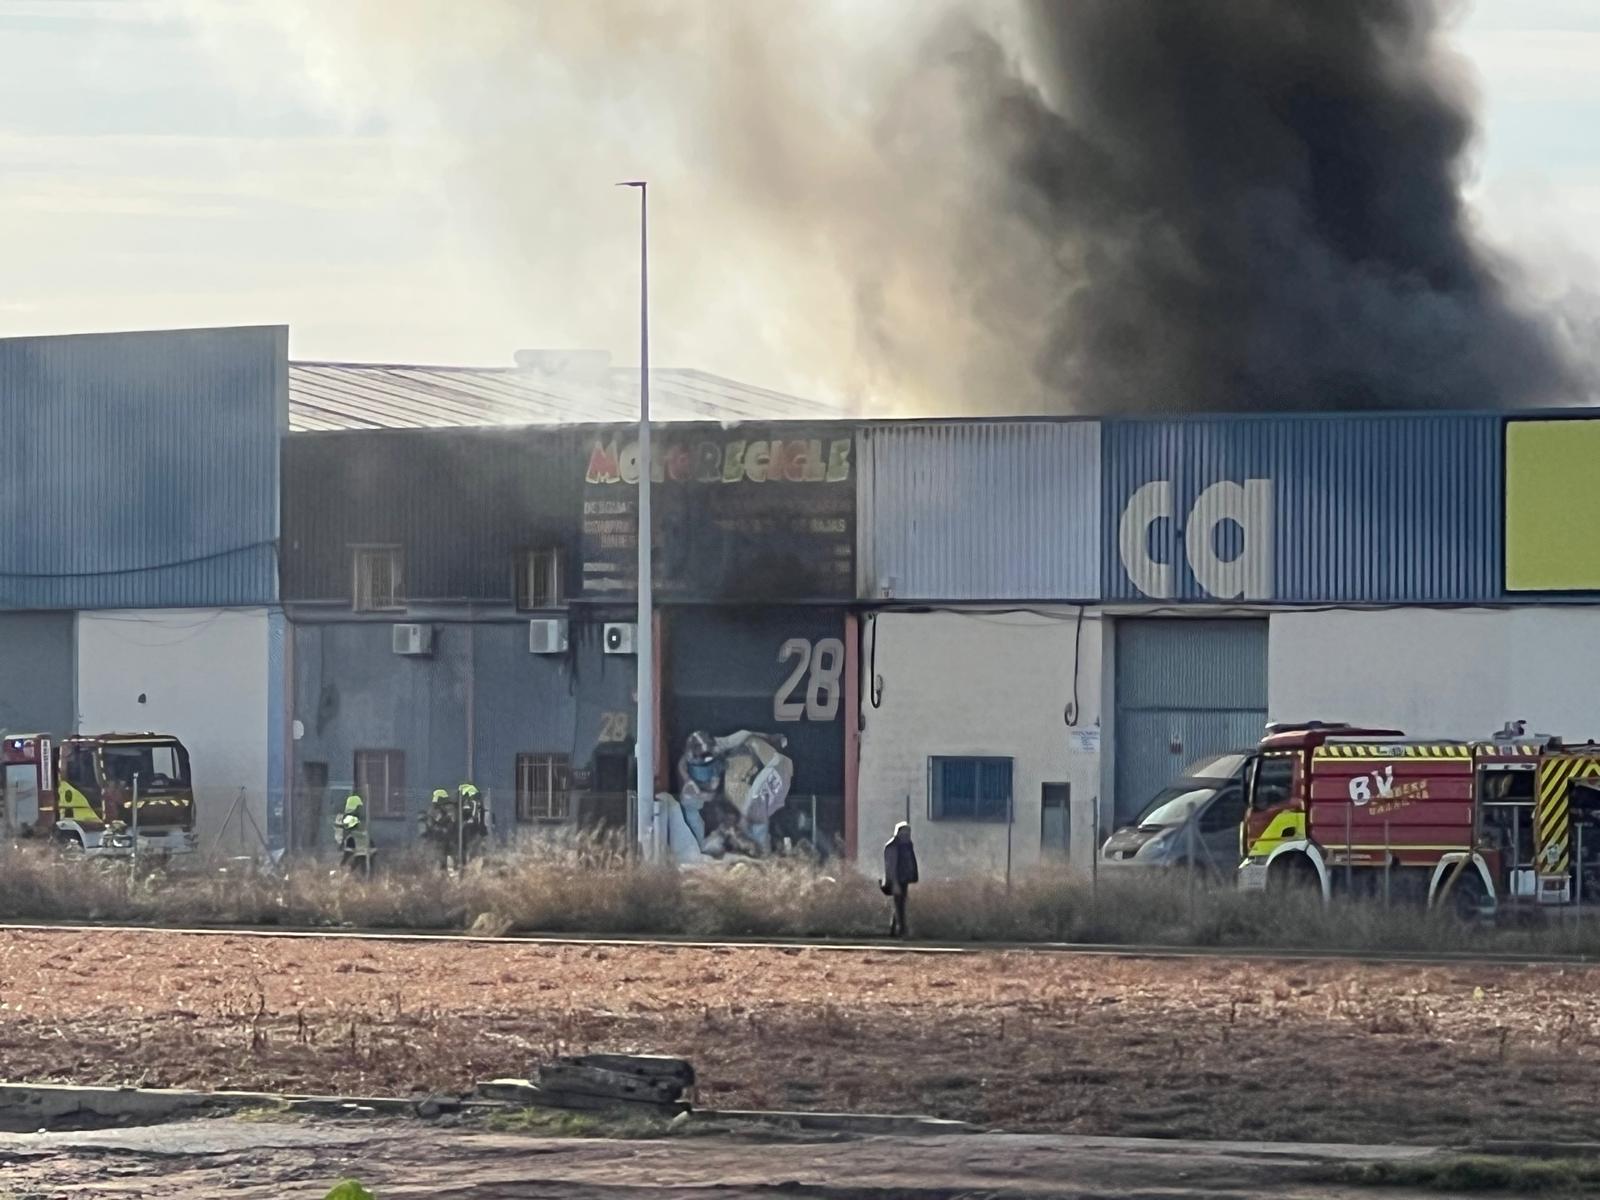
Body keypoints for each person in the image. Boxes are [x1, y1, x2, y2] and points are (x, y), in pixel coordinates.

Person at [881, 821, 919, 938]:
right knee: (899, 906)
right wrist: (894, 883)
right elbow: (890, 866)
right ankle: (902, 931)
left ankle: (893, 930)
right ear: (898, 833)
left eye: (908, 833)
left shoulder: (907, 845)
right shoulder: (892, 846)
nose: (907, 835)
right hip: (896, 879)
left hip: (904, 879)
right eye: (904, 833)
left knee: (900, 904)